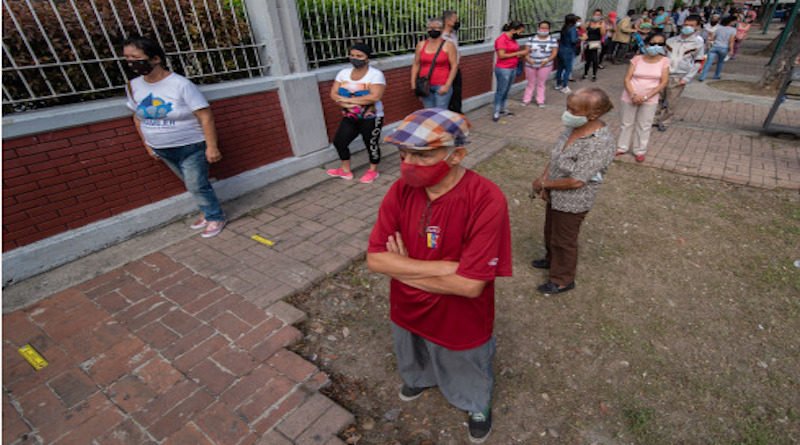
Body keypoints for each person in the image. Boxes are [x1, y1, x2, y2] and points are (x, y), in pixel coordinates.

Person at [367, 108, 512, 444]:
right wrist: (445, 267)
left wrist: (401, 269)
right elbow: (375, 260)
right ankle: (419, 378)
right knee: (412, 349)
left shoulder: (486, 199)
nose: (408, 164)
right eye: (403, 155)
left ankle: (476, 403)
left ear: (457, 154)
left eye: (421, 155)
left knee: (466, 360)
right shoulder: (401, 191)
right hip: (407, 307)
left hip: (460, 315)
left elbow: (470, 286)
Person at [124, 35, 226, 238]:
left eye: (136, 57)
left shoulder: (180, 84)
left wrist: (212, 146)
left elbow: (205, 115)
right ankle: (208, 212)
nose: (131, 63)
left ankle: (215, 216)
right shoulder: (133, 86)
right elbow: (137, 118)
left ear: (155, 59)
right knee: (193, 185)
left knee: (197, 185)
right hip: (162, 148)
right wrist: (148, 146)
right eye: (127, 58)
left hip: (190, 146)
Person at [530, 88, 615, 294]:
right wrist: (544, 179)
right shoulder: (573, 127)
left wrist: (544, 184)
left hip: (574, 200)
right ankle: (551, 260)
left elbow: (577, 181)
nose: (567, 113)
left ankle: (562, 279)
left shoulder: (599, 142)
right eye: (567, 107)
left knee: (564, 239)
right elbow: (556, 157)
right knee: (551, 230)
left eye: (573, 110)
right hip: (556, 191)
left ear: (593, 114)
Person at [327, 43, 386, 184]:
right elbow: (333, 93)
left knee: (370, 144)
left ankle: (373, 171)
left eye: (359, 56)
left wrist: (347, 100)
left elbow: (374, 96)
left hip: (371, 117)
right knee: (339, 142)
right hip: (350, 116)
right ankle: (345, 170)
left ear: (367, 58)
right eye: (352, 55)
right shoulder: (343, 73)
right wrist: (344, 102)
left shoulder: (375, 75)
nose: (355, 58)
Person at [617, 33, 670, 163]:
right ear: (646, 44)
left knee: (644, 125)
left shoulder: (665, 61)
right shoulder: (637, 59)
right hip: (630, 95)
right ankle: (622, 147)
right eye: (652, 43)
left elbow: (663, 82)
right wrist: (633, 94)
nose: (655, 46)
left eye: (660, 44)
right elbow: (627, 78)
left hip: (650, 98)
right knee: (626, 123)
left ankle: (639, 150)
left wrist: (646, 96)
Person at [653, 15, 705, 132]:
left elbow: (698, 62)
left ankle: (665, 121)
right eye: (686, 24)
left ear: (697, 27)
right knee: (657, 98)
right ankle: (654, 119)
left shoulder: (697, 43)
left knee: (672, 101)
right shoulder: (671, 40)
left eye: (691, 25)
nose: (688, 27)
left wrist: (687, 78)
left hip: (679, 76)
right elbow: (661, 56)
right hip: (664, 74)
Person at [412, 17, 458, 110]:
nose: (432, 30)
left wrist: (447, 85)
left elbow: (454, 66)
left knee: (440, 115)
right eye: (430, 27)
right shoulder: (421, 45)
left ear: (441, 29)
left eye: (435, 28)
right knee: (429, 113)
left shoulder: (448, 45)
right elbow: (416, 64)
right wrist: (413, 83)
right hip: (425, 85)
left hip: (442, 85)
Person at [492, 20, 529, 121]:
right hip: (503, 69)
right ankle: (496, 110)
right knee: (501, 90)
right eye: (519, 32)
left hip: (513, 67)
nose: (520, 34)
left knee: (507, 90)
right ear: (513, 30)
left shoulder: (512, 39)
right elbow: (501, 55)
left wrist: (521, 54)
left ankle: (503, 108)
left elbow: (514, 52)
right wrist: (519, 53)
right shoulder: (502, 39)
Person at [523, 21, 558, 108]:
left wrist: (547, 60)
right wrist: (528, 59)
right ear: (538, 28)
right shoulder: (531, 39)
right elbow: (526, 51)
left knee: (541, 83)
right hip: (530, 64)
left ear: (549, 29)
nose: (543, 30)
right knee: (530, 83)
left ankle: (540, 100)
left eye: (546, 28)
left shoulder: (552, 40)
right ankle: (526, 99)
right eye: (542, 28)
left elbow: (554, 53)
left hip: (545, 65)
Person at [699, 15, 736, 82]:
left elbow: (712, 38)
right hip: (724, 48)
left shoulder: (718, 28)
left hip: (715, 46)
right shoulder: (733, 30)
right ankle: (717, 75)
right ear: (730, 22)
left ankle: (702, 76)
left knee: (708, 62)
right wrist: (731, 50)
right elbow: (731, 41)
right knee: (720, 62)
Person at [442, 10, 463, 113]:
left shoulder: (453, 35)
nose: (458, 22)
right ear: (448, 21)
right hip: (446, 69)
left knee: (457, 93)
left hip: (456, 68)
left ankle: (457, 114)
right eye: (456, 19)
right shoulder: (441, 37)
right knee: (449, 95)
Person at [555, 14, 580, 94]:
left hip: (561, 49)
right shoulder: (572, 28)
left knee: (560, 68)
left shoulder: (564, 27)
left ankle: (558, 84)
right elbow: (573, 40)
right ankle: (564, 86)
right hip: (568, 51)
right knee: (568, 69)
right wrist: (580, 38)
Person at [581, 9, 606, 81]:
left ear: (601, 15)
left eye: (598, 15)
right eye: (595, 14)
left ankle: (594, 75)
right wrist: (586, 23)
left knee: (595, 60)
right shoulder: (589, 22)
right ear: (593, 14)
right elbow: (584, 29)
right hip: (588, 43)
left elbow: (603, 34)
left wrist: (601, 25)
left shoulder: (602, 23)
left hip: (596, 44)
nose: (596, 16)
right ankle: (585, 74)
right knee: (587, 60)